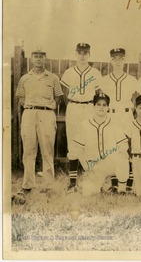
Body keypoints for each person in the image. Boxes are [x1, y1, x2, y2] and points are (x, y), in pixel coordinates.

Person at [15, 48, 63, 198]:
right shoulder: (24, 78)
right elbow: (20, 98)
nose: (38, 59)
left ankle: (49, 185)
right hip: (29, 113)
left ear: (45, 59)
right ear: (31, 58)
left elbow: (59, 97)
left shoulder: (53, 78)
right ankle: (28, 185)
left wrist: (46, 106)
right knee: (28, 150)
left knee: (47, 150)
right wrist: (32, 106)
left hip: (47, 113)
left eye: (41, 57)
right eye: (35, 56)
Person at [60, 43, 102, 193]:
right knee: (73, 142)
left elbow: (99, 93)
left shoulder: (95, 72)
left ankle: (91, 180)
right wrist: (72, 104)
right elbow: (64, 93)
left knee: (90, 142)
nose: (82, 55)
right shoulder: (69, 72)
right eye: (80, 52)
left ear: (89, 54)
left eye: (85, 52)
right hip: (74, 107)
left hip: (89, 107)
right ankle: (72, 183)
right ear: (75, 54)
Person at [72, 93, 129, 196]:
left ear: (108, 107)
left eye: (104, 105)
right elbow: (78, 149)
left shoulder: (114, 122)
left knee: (123, 157)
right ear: (93, 106)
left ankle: (121, 189)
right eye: (98, 104)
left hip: (111, 162)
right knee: (89, 193)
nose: (101, 107)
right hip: (94, 165)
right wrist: (86, 167)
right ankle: (84, 185)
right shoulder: (84, 124)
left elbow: (123, 143)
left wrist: (123, 150)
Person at [98, 47, 137, 124]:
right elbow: (101, 100)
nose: (117, 62)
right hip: (109, 115)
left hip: (126, 115)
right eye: (114, 59)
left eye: (120, 59)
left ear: (125, 61)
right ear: (111, 61)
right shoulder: (104, 80)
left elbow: (135, 100)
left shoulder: (132, 80)